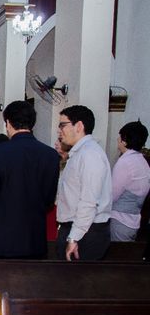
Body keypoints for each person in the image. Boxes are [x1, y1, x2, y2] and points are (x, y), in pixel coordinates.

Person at [0, 101, 60, 258]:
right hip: (34, 240)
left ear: (8, 123)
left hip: (3, 239)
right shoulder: (50, 155)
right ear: (32, 123)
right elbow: (49, 200)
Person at [56, 105, 112, 261]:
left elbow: (89, 200)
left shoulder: (90, 154)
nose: (59, 131)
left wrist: (74, 237)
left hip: (86, 233)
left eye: (63, 125)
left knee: (76, 283)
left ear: (79, 126)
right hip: (79, 229)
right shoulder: (80, 152)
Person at [110, 121, 150, 241]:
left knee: (116, 257)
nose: (118, 140)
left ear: (125, 139)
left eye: (120, 136)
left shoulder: (125, 162)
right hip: (134, 220)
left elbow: (112, 195)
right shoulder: (142, 161)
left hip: (120, 220)